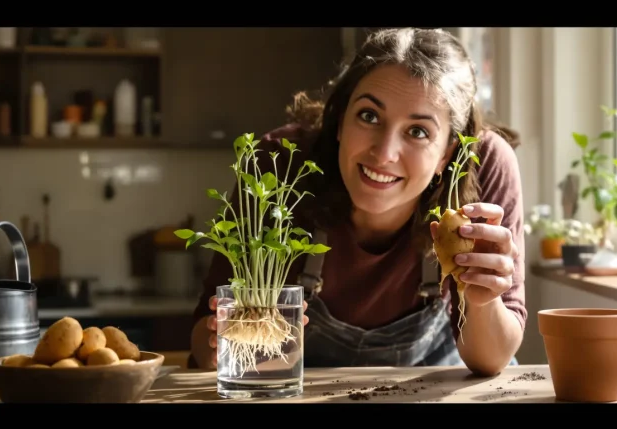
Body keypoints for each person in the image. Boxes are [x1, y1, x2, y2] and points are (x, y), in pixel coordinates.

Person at [188, 27, 526, 377]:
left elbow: (491, 361)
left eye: (418, 131)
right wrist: (220, 344)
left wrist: (481, 299)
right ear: (339, 121)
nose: (384, 153)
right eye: (369, 116)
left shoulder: (484, 165)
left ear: (447, 154)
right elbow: (204, 337)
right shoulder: (278, 166)